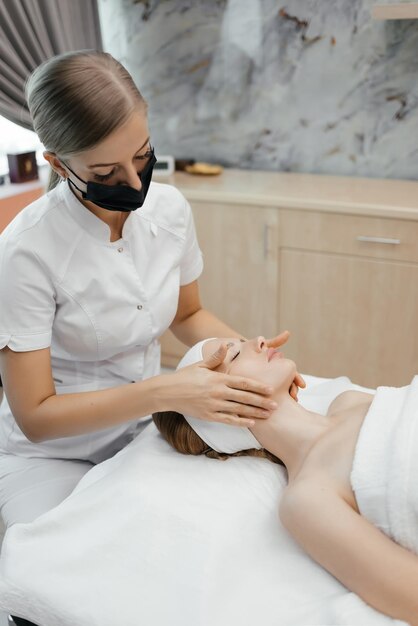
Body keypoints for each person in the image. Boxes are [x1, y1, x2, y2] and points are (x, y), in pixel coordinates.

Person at [0, 50, 304, 530]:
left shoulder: (170, 209)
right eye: (105, 174)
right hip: (54, 458)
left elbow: (187, 315)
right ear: (57, 163)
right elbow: (37, 416)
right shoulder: (25, 252)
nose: (134, 179)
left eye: (141, 154)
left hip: (148, 435)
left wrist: (247, 357)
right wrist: (166, 392)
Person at [153, 336, 418, 626]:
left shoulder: (349, 400)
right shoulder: (307, 500)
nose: (261, 340)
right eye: (236, 353)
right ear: (221, 410)